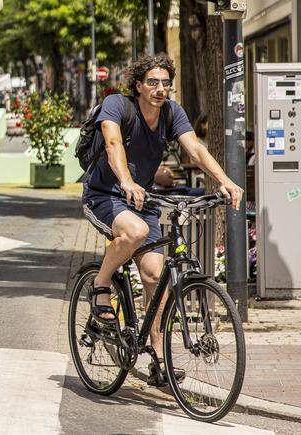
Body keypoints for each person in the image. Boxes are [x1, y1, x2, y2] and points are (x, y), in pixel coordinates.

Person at [82, 54, 242, 387]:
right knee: (136, 231)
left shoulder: (171, 112)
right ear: (138, 85)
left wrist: (224, 180)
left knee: (156, 276)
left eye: (166, 83)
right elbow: (112, 144)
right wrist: (126, 180)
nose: (160, 89)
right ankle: (101, 284)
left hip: (143, 200)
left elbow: (194, 149)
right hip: (105, 195)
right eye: (152, 82)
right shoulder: (117, 105)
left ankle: (159, 359)